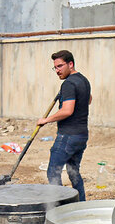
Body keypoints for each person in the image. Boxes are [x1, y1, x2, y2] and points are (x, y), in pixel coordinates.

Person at [37, 50, 92, 201]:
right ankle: (81, 205)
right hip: (81, 135)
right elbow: (89, 99)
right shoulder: (84, 80)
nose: (57, 70)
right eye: (55, 67)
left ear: (70, 64)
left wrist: (45, 120)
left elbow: (67, 111)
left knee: (53, 172)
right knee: (73, 172)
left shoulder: (68, 84)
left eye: (60, 66)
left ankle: (61, 209)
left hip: (68, 136)